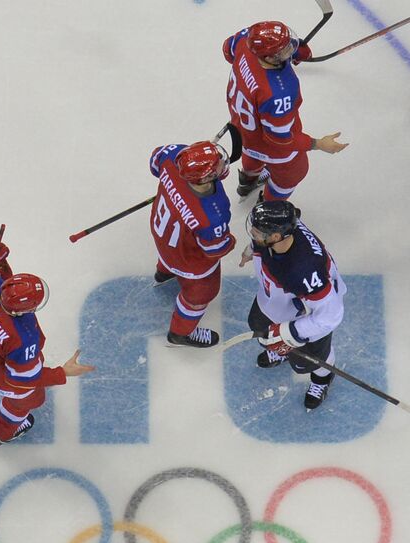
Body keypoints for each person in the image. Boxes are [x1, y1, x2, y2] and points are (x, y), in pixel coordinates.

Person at [0, 238, 95, 444]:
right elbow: (23, 382)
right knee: (30, 398)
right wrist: (62, 372)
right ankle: (3, 434)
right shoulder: (23, 337)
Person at [224, 20, 347, 201]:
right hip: (274, 150)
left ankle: (247, 183)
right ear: (269, 58)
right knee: (294, 174)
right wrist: (318, 144)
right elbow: (280, 141)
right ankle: (268, 208)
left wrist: (291, 53)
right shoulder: (279, 93)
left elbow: (228, 49)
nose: (290, 48)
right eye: (284, 50)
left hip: (243, 130)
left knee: (252, 156)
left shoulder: (246, 40)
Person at [239, 199, 345, 409]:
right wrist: (251, 250)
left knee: (314, 359)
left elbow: (330, 315)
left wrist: (294, 332)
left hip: (303, 319)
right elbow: (259, 242)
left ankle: (322, 379)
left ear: (276, 237)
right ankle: (282, 351)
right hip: (272, 301)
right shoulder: (279, 231)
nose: (252, 232)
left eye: (257, 232)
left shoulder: (305, 270)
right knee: (262, 330)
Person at [149, 142, 236, 349]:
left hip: (163, 239)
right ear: (204, 179)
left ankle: (163, 273)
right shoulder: (212, 214)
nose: (221, 163)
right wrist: (231, 241)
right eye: (215, 166)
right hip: (189, 261)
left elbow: (154, 163)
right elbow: (216, 249)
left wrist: (173, 188)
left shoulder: (173, 157)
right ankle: (180, 333)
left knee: (170, 252)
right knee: (201, 295)